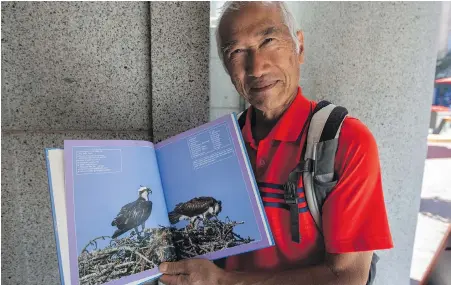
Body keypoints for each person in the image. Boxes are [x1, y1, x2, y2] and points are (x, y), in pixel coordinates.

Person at [158, 2, 393, 284]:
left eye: (268, 41)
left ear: (299, 47)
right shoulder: (216, 147)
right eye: (236, 52)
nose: (256, 67)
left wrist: (223, 281)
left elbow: (347, 277)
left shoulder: (346, 142)